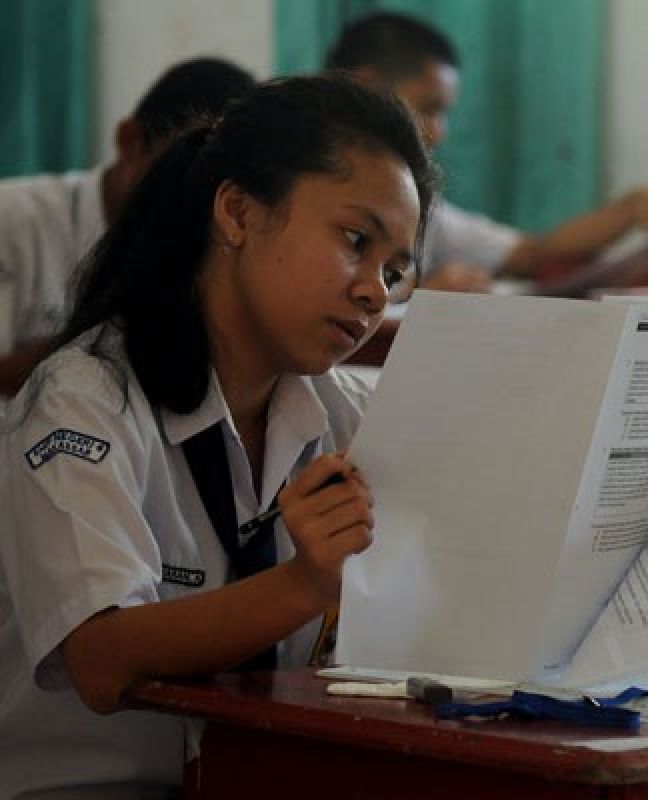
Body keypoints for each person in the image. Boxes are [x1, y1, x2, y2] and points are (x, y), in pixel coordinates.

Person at [0, 74, 436, 798]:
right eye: (355, 242)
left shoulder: (345, 415)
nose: (374, 291)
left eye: (394, 269)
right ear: (237, 212)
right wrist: (304, 583)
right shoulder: (86, 397)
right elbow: (105, 662)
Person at [325, 10, 648, 293]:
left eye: (443, 114)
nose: (437, 134)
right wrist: (423, 298)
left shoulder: (420, 205)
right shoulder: (304, 181)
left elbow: (533, 253)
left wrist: (630, 209)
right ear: (366, 87)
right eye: (428, 109)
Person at [0, 57, 257, 401]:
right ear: (131, 140)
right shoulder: (12, 219)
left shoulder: (208, 247)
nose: (193, 193)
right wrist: (104, 341)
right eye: (182, 165)